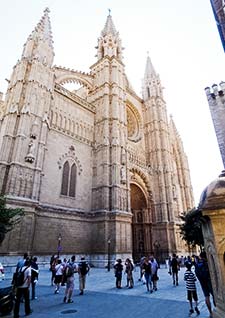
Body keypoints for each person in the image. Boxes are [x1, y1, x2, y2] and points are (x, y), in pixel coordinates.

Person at [194, 251, 216, 317]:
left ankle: (210, 312)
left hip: (202, 283)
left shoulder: (197, 265)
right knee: (214, 296)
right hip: (209, 281)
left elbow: (197, 274)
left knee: (207, 297)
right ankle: (217, 309)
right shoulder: (207, 263)